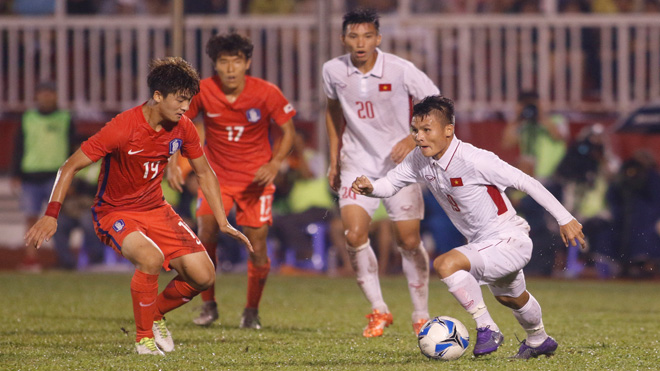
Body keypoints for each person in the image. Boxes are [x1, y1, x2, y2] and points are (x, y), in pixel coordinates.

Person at [25, 57, 251, 355]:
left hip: (156, 208)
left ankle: (154, 314)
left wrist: (222, 221)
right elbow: (68, 167)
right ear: (157, 96)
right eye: (180, 100)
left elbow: (204, 172)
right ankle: (144, 340)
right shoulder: (121, 128)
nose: (186, 108)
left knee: (204, 275)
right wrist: (51, 214)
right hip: (114, 212)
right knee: (150, 258)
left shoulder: (183, 128)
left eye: (189, 100)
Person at [352, 96, 586, 358]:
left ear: (448, 130)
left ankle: (487, 327)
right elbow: (391, 183)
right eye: (415, 130)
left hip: (509, 238)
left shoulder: (475, 159)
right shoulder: (420, 159)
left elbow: (525, 181)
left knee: (445, 264)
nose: (419, 137)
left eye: (426, 130)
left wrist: (565, 218)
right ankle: (539, 340)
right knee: (511, 298)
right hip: (483, 243)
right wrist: (371, 188)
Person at [322, 8, 440, 337]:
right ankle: (378, 309)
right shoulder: (333, 70)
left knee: (409, 239)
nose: (361, 43)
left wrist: (411, 138)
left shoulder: (401, 70)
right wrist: (334, 157)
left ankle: (420, 313)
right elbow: (332, 111)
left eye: (368, 36)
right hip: (356, 163)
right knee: (354, 235)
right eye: (354, 36)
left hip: (400, 165)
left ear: (379, 38)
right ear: (343, 38)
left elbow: (437, 102)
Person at [167, 33, 296, 329]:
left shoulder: (266, 92)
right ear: (215, 65)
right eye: (223, 62)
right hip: (217, 178)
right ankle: (209, 305)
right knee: (206, 231)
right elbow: (180, 122)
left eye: (236, 61)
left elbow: (288, 132)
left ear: (247, 63)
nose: (229, 68)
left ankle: (251, 311)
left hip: (255, 181)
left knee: (257, 244)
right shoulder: (203, 91)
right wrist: (174, 162)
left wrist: (274, 163)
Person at [12, 81, 75, 271]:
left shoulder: (66, 118)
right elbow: (18, 147)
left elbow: (73, 149)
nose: (46, 96)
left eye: (50, 93)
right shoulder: (27, 118)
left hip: (57, 177)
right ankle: (32, 259)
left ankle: (63, 259)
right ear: (37, 96)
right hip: (30, 176)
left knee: (58, 218)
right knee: (31, 218)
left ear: (56, 95)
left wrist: (71, 176)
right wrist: (16, 174)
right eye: (43, 93)